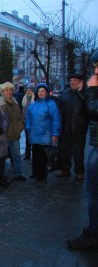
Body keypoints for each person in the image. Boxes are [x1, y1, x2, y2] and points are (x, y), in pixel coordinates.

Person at [67, 50, 98, 250]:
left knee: (92, 191)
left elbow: (93, 110)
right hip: (92, 140)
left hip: (91, 140)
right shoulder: (68, 95)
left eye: (97, 66)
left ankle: (93, 234)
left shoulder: (92, 89)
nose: (95, 71)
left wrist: (92, 90)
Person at [25, 83, 61, 181]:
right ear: (36, 93)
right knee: (35, 154)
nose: (41, 93)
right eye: (39, 91)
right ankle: (35, 172)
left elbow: (56, 120)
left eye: (43, 91)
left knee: (43, 156)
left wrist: (55, 134)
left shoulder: (51, 104)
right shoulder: (33, 105)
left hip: (45, 135)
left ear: (46, 92)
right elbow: (28, 117)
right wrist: (28, 128)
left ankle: (42, 174)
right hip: (34, 134)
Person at [56, 73, 87, 180]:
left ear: (80, 82)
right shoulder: (65, 94)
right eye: (71, 81)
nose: (72, 82)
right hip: (65, 128)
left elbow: (89, 107)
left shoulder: (85, 94)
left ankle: (79, 171)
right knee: (64, 150)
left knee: (78, 152)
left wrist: (80, 93)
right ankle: (65, 169)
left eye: (75, 80)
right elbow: (57, 107)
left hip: (79, 129)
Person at [0, 82, 26, 182]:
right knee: (2, 157)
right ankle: (1, 176)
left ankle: (18, 173)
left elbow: (21, 116)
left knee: (16, 155)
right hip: (4, 135)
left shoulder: (15, 102)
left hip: (15, 134)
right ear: (2, 92)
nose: (9, 92)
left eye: (10, 90)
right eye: (6, 90)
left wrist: (20, 126)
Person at [21, 86, 35, 160]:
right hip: (26, 122)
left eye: (30, 90)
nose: (28, 91)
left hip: (34, 123)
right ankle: (27, 155)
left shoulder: (35, 99)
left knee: (34, 140)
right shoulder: (24, 99)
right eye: (27, 90)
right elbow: (22, 111)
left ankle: (35, 155)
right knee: (27, 140)